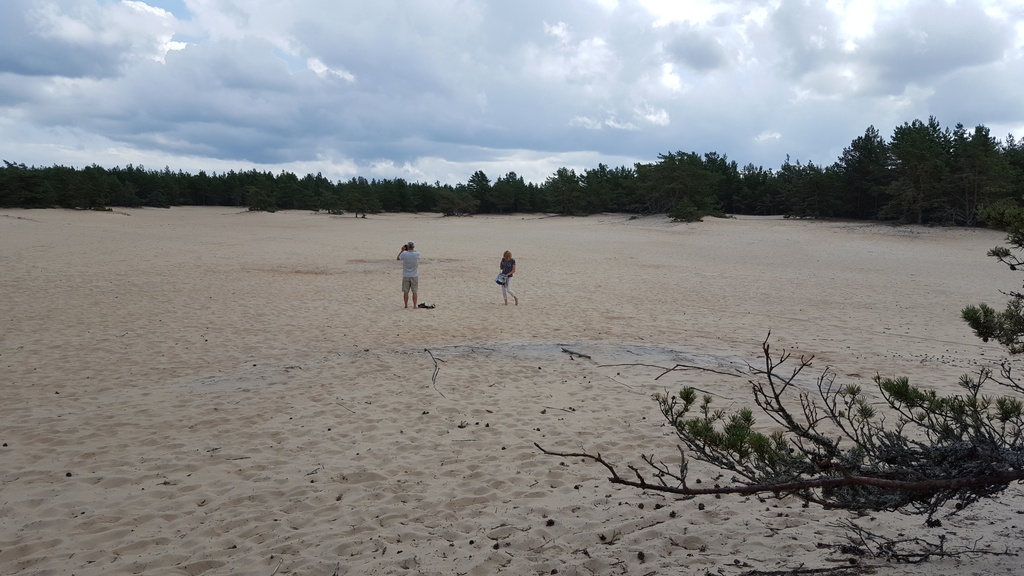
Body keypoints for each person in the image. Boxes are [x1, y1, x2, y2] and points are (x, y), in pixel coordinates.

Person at [397, 241, 420, 308]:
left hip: (406, 275)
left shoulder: (404, 254)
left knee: (406, 292)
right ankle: (414, 305)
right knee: (414, 291)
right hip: (414, 275)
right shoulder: (417, 254)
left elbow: (398, 258)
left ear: (407, 247)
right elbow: (418, 256)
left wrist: (402, 250)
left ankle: (406, 305)